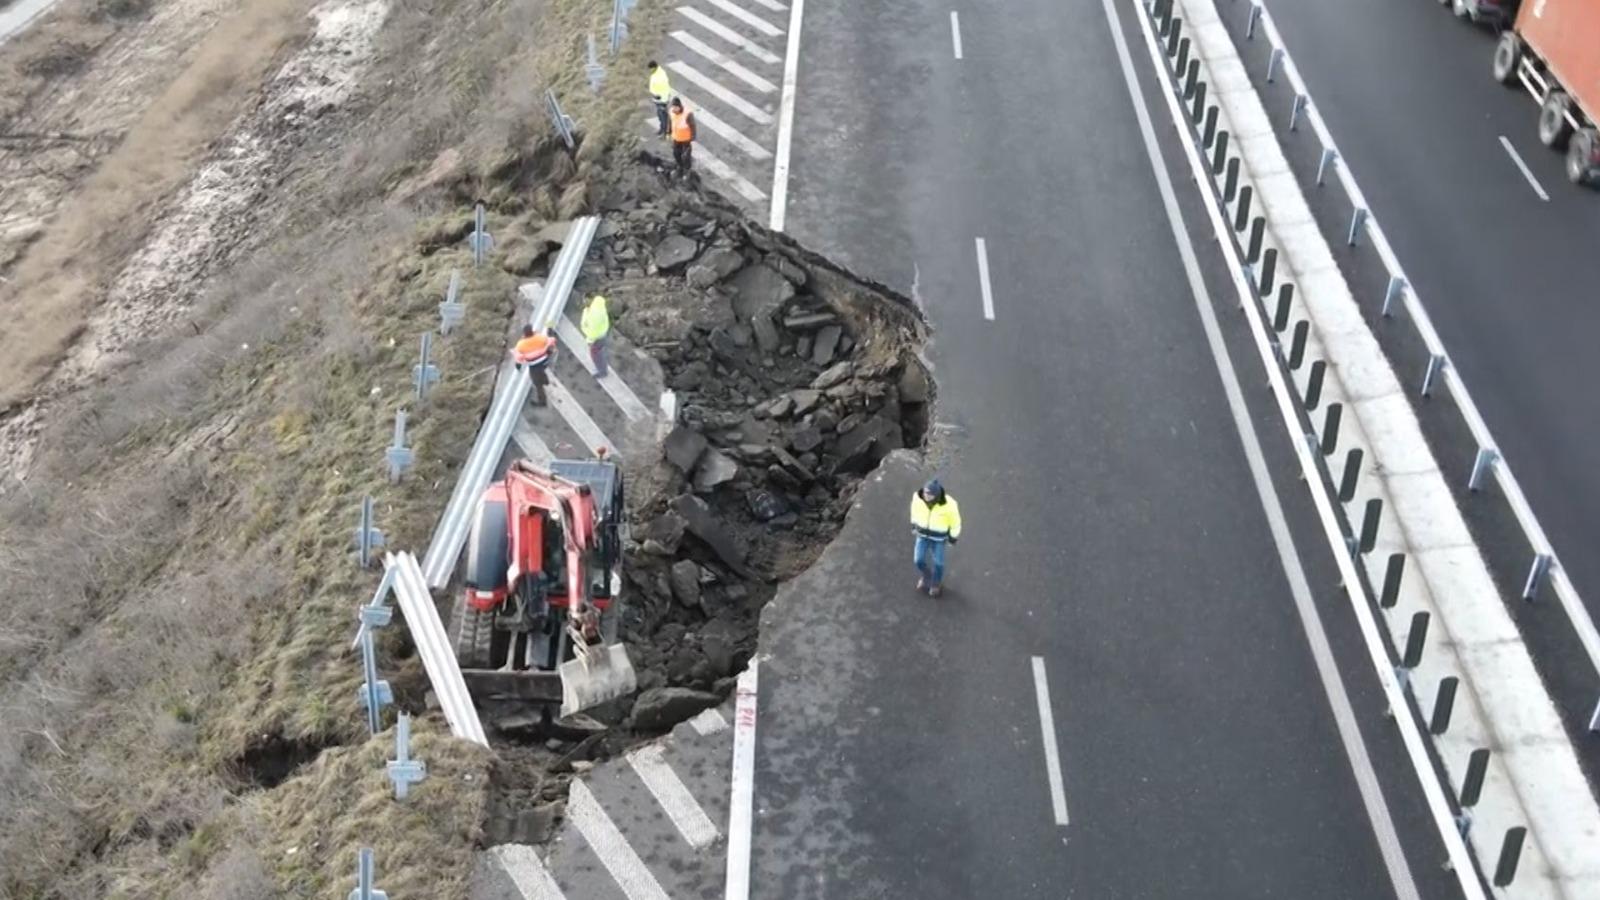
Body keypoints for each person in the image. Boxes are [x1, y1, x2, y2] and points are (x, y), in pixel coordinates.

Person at [909, 479, 961, 596]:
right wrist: (913, 526)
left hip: (939, 539)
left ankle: (936, 583)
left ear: (936, 495)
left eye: (929, 494)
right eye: (925, 493)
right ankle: (927, 576)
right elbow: (914, 512)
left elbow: (955, 523)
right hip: (922, 535)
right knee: (918, 560)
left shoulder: (950, 505)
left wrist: (952, 538)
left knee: (939, 563)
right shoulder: (917, 498)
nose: (925, 496)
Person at [512, 325, 555, 406]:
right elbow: (550, 341)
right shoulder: (540, 338)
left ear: (524, 334)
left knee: (537, 384)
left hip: (534, 365)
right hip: (545, 360)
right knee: (541, 370)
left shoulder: (521, 345)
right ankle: (545, 381)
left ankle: (542, 402)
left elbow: (519, 358)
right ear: (532, 331)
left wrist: (518, 366)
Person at [580, 294, 611, 378]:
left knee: (596, 356)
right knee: (600, 353)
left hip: (595, 339)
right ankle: (603, 369)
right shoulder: (601, 309)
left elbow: (589, 331)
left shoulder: (593, 317)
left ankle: (602, 372)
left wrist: (590, 340)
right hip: (602, 335)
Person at [669, 97, 696, 176]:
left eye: (676, 107)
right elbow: (670, 121)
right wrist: (668, 132)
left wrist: (693, 136)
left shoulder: (687, 114)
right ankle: (679, 166)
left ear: (680, 106)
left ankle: (687, 170)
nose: (674, 109)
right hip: (676, 137)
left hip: (686, 139)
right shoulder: (671, 112)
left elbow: (692, 125)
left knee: (686, 156)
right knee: (676, 153)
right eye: (673, 107)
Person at [648, 61, 673, 137]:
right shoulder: (656, 74)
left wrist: (662, 99)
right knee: (660, 115)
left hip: (662, 99)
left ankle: (665, 132)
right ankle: (663, 129)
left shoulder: (661, 75)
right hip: (658, 98)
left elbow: (664, 88)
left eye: (651, 69)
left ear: (654, 67)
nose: (650, 70)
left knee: (663, 116)